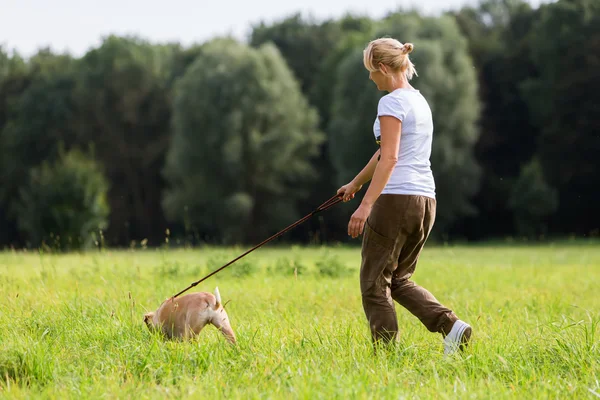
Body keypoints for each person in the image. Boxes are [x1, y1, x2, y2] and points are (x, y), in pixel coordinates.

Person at [336, 37, 471, 355]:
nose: (370, 78)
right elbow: (386, 151)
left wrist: (365, 206)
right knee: (397, 279)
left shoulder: (391, 102)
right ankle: (451, 327)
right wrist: (355, 184)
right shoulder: (418, 101)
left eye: (372, 71)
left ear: (383, 67)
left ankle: (385, 357)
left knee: (373, 282)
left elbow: (391, 157)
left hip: (396, 200)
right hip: (425, 201)